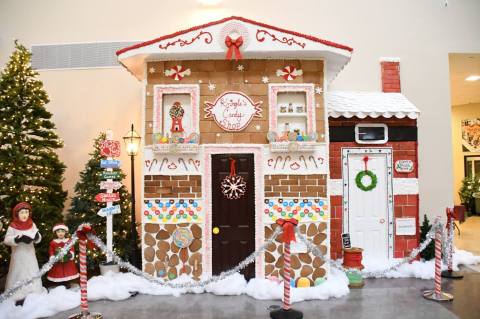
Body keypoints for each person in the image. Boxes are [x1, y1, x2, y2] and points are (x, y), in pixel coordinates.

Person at [3, 202, 45, 304]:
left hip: (30, 255)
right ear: (17, 214)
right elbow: (7, 240)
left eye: (26, 212)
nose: (25, 215)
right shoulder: (12, 226)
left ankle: (34, 292)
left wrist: (36, 237)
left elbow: (38, 236)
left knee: (32, 272)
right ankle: (17, 295)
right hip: (19, 256)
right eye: (22, 212)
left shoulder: (32, 224)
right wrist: (17, 240)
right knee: (18, 273)